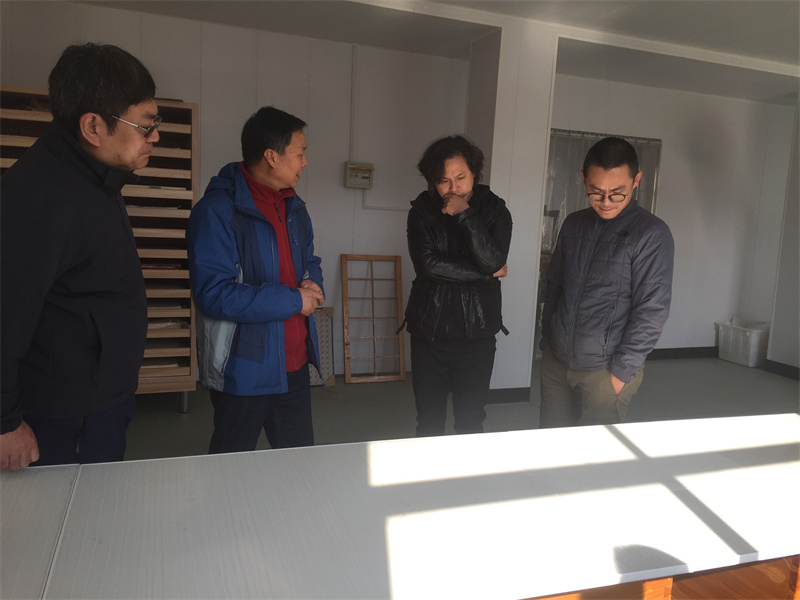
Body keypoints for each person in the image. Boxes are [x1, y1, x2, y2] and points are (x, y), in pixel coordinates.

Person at [0, 43, 157, 469]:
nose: (155, 136)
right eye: (146, 126)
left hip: (97, 398)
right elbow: (5, 312)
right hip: (65, 414)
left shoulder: (92, 176)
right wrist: (5, 422)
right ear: (93, 126)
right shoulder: (41, 195)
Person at [187, 106, 324, 453]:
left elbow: (310, 261)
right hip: (243, 370)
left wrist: (313, 283)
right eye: (300, 153)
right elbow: (214, 294)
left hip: (294, 365)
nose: (304, 162)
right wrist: (294, 300)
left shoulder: (295, 208)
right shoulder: (217, 211)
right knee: (231, 468)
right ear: (272, 157)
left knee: (298, 466)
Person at [539, 136, 674, 428]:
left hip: (605, 371)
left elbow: (652, 310)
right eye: (596, 192)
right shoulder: (574, 224)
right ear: (583, 179)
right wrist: (548, 341)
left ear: (636, 180)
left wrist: (621, 373)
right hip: (557, 362)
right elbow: (555, 286)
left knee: (594, 452)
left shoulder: (650, 234)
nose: (605, 202)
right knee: (551, 446)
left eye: (617, 193)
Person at [403, 135, 512, 437]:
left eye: (460, 178)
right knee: (429, 423)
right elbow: (428, 266)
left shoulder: (496, 211)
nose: (453, 188)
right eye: (444, 181)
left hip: (477, 336)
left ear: (475, 173)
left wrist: (465, 214)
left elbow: (493, 259)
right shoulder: (421, 211)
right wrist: (485, 275)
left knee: (471, 423)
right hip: (429, 333)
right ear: (432, 182)